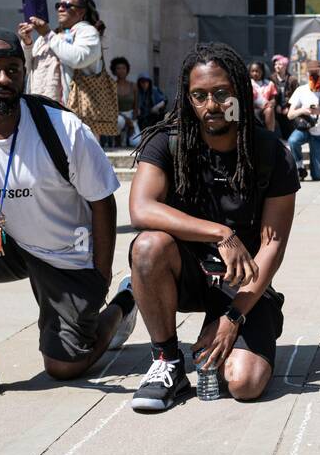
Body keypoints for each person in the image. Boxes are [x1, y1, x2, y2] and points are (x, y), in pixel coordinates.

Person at [0, 26, 136, 409]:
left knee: (64, 367)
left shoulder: (62, 127)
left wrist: (99, 279)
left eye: (14, 69)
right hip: (10, 242)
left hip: (66, 254)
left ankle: (124, 304)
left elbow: (104, 202)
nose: (5, 79)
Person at [127, 42, 298, 412]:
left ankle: (253, 320)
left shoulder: (271, 153)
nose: (211, 105)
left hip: (242, 281)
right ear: (187, 99)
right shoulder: (166, 142)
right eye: (199, 95)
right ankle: (166, 361)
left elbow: (273, 245)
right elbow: (141, 209)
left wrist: (233, 316)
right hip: (185, 272)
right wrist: (220, 232)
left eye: (222, 94)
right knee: (147, 246)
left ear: (239, 91)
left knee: (244, 383)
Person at [18, 0, 105, 105]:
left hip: (71, 110)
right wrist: (27, 43)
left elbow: (78, 59)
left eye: (67, 5)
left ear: (81, 11)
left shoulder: (87, 32)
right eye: (58, 5)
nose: (60, 9)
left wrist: (47, 34)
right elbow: (26, 68)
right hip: (39, 107)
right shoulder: (47, 37)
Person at [287, 60, 320, 180]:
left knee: (317, 176)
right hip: (304, 128)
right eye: (311, 73)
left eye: (317, 72)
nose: (314, 75)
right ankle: (299, 166)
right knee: (293, 141)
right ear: (307, 74)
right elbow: (290, 115)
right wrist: (303, 110)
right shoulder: (301, 90)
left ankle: (315, 167)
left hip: (319, 133)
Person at [111, 56, 138, 148]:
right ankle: (117, 138)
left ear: (127, 70)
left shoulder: (133, 86)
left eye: (124, 68)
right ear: (114, 70)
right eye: (118, 68)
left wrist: (132, 122)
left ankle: (127, 136)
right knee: (120, 121)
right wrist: (125, 119)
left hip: (131, 115)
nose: (121, 71)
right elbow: (111, 107)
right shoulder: (112, 86)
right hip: (117, 116)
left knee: (136, 142)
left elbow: (136, 106)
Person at [270, 54, 297, 139]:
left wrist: (289, 107)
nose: (277, 66)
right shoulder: (271, 79)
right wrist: (277, 105)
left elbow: (297, 95)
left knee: (288, 132)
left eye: (279, 64)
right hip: (276, 109)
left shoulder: (292, 80)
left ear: (285, 66)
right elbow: (270, 94)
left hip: (288, 109)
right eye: (275, 64)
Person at [250, 60, 277, 131]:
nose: (255, 73)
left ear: (262, 72)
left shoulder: (269, 84)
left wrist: (272, 102)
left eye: (257, 71)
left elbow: (273, 99)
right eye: (252, 71)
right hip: (252, 109)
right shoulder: (247, 84)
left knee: (269, 110)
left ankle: (270, 133)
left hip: (265, 109)